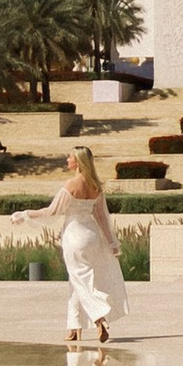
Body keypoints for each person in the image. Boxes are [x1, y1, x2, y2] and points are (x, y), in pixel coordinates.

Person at [45, 143, 126, 349]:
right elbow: (101, 217)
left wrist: (26, 215)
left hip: (74, 236)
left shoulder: (71, 184)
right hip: (92, 236)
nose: (67, 160)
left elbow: (52, 211)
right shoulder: (96, 186)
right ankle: (74, 328)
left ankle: (99, 318)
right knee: (76, 280)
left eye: (70, 157)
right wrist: (111, 241)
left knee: (80, 281)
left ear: (79, 161)